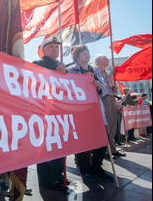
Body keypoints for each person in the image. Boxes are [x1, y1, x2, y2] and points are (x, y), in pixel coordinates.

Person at [67, 45, 113, 183]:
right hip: (81, 111)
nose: (86, 55)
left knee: (102, 138)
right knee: (84, 142)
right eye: (83, 53)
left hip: (96, 110)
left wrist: (99, 85)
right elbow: (69, 89)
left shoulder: (94, 71)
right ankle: (85, 169)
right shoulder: (71, 70)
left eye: (87, 53)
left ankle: (97, 167)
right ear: (77, 56)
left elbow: (104, 90)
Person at [32, 36, 69, 192]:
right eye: (51, 47)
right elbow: (39, 85)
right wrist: (58, 73)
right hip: (45, 112)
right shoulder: (37, 64)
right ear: (43, 50)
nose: (55, 49)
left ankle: (58, 175)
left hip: (60, 112)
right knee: (47, 147)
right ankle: (47, 180)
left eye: (56, 46)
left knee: (60, 146)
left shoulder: (61, 65)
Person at [94, 55, 126, 157]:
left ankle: (113, 148)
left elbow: (108, 85)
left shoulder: (106, 72)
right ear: (99, 61)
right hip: (104, 99)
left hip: (111, 98)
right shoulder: (96, 71)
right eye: (105, 59)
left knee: (113, 124)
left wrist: (113, 88)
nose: (108, 61)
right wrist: (111, 74)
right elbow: (101, 85)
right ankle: (107, 150)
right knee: (107, 124)